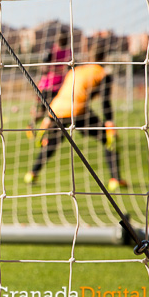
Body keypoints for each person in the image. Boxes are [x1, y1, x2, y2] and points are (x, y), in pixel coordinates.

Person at [24, 37, 125, 192]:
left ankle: (32, 173)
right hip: (77, 111)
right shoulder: (103, 73)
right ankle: (115, 179)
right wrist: (109, 122)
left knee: (53, 143)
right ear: (105, 57)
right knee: (109, 139)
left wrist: (47, 117)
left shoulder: (77, 70)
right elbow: (105, 102)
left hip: (56, 109)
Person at [27, 32, 71, 137]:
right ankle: (32, 126)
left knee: (53, 112)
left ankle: (45, 135)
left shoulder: (68, 52)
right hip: (49, 86)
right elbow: (44, 68)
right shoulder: (52, 51)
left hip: (60, 87)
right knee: (45, 112)